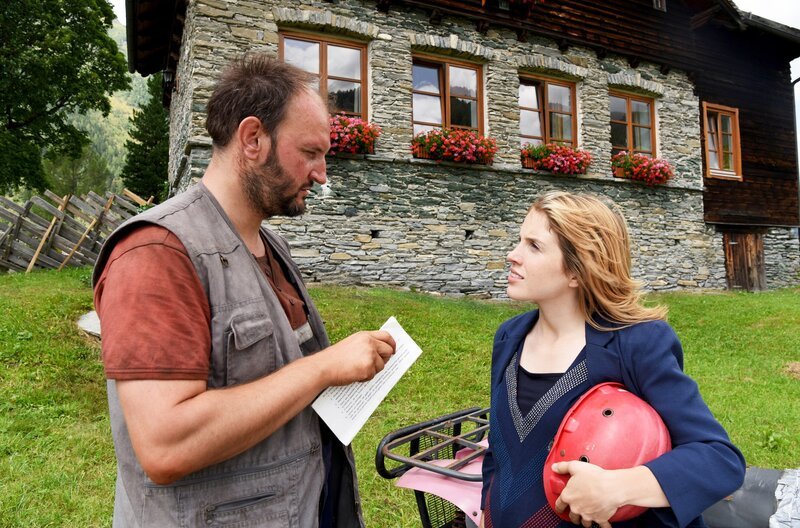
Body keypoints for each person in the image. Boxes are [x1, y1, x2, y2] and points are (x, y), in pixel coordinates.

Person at [92, 54, 396, 527]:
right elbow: (165, 444)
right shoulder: (156, 252)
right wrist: (322, 369)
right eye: (311, 152)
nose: (321, 174)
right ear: (253, 139)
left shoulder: (268, 241)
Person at [480, 191, 745, 528]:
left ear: (578, 272)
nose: (512, 255)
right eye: (520, 241)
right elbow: (499, 453)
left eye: (533, 246)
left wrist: (619, 488)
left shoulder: (637, 343)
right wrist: (486, 507)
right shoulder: (509, 336)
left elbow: (719, 460)